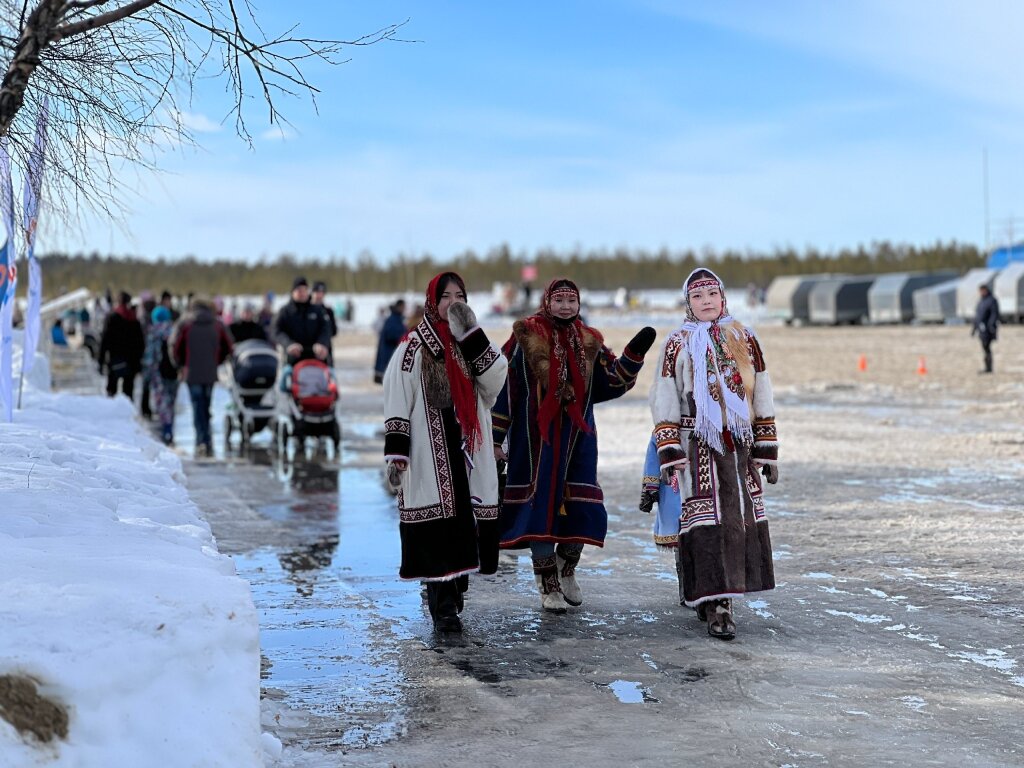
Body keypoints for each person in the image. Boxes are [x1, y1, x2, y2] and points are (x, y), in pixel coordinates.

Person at [492, 278, 656, 613]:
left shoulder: (589, 340)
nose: (566, 307)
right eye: (559, 300)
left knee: (583, 506)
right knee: (539, 508)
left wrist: (633, 355)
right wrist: (496, 437)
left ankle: (567, 569)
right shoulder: (525, 336)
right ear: (546, 301)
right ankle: (547, 582)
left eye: (572, 300)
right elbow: (504, 389)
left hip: (579, 439)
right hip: (535, 439)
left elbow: (611, 381)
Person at [644, 267, 779, 640]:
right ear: (688, 303)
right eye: (698, 297)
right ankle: (707, 598)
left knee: (736, 523)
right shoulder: (677, 343)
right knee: (702, 523)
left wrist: (766, 446)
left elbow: (761, 388)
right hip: (696, 446)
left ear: (723, 298)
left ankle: (723, 603)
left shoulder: (744, 337)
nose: (706, 303)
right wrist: (669, 450)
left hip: (738, 448)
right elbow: (664, 395)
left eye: (712, 295)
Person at [382, 272, 508, 633]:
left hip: (469, 444)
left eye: (460, 295)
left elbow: (496, 381)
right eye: (446, 296)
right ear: (432, 302)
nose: (453, 302)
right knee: (439, 524)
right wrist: (397, 452)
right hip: (427, 449)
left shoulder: (472, 344)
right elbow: (396, 398)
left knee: (467, 520)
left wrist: (471, 336)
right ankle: (443, 605)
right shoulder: (412, 349)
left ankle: (456, 587)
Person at [173, 296, 233, 457]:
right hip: (210, 371)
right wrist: (217, 362)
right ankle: (207, 438)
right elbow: (229, 346)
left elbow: (175, 346)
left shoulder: (185, 324)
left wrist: (180, 364)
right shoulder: (217, 324)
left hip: (191, 371)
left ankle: (201, 439)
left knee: (197, 406)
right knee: (206, 406)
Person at [272, 277, 332, 366]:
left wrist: (322, 343)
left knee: (330, 375)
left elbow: (326, 329)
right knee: (284, 376)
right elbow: (276, 331)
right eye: (299, 290)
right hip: (293, 358)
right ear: (293, 292)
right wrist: (288, 344)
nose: (302, 293)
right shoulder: (285, 311)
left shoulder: (317, 310)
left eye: (305, 290)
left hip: (316, 357)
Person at [98, 291, 145, 400]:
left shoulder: (111, 317)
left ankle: (111, 413)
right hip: (131, 362)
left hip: (114, 359)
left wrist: (101, 360)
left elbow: (105, 340)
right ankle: (127, 414)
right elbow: (140, 344)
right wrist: (138, 362)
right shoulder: (134, 319)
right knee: (128, 393)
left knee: (111, 392)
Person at [143, 306, 179, 445]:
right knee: (171, 401)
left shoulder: (153, 332)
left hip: (158, 373)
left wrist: (147, 375)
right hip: (174, 372)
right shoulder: (174, 331)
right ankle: (171, 427)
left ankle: (166, 428)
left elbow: (149, 357)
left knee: (162, 402)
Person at [373, 299, 406, 384]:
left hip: (393, 354)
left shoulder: (397, 319)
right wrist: (403, 337)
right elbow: (390, 335)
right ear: (399, 306)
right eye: (403, 307)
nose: (404, 309)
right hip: (390, 354)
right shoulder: (393, 319)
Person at [971, 284, 999, 374]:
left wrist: (991, 326)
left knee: (987, 347)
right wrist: (974, 328)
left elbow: (994, 314)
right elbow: (978, 316)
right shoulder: (981, 301)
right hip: (981, 329)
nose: (981, 292)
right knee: (984, 347)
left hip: (988, 329)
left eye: (983, 290)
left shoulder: (992, 300)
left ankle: (989, 367)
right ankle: (987, 367)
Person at [311, 281, 337, 366]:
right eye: (317, 292)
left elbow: (334, 331)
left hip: (325, 352)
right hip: (309, 353)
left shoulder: (328, 311)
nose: (319, 296)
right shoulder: (305, 310)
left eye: (322, 293)